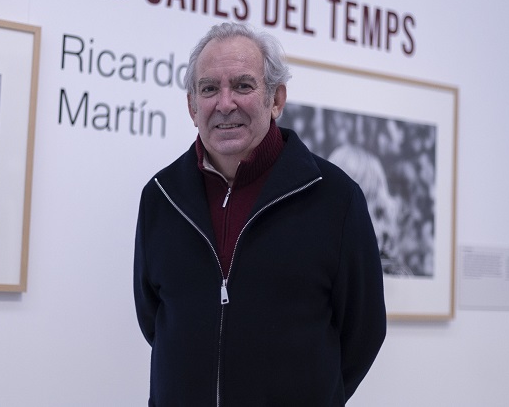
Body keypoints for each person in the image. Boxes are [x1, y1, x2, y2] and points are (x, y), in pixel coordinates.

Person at [134, 23, 386, 405]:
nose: (224, 103)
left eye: (243, 85)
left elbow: (363, 332)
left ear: (276, 99)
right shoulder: (160, 197)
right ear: (191, 106)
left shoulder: (336, 198)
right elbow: (155, 320)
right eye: (208, 89)